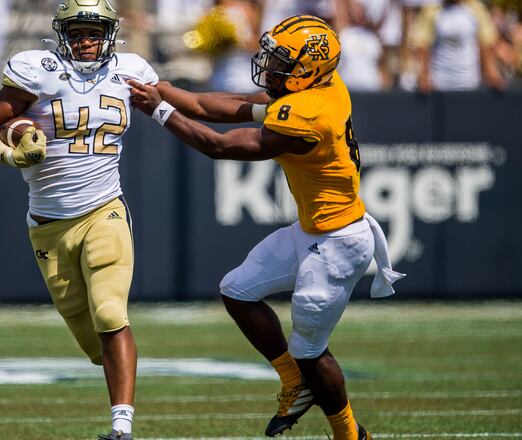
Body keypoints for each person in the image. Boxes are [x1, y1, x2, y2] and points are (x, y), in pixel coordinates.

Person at [128, 14, 404, 439]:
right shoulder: (321, 86)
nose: (270, 67)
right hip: (312, 230)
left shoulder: (311, 115)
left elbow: (219, 146)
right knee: (237, 291)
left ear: (308, 69)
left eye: (282, 61)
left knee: (311, 351)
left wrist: (161, 110)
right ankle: (293, 380)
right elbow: (231, 105)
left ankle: (350, 434)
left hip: (338, 243)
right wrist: (166, 90)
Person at [0, 1, 158, 438]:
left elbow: (174, 104)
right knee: (93, 343)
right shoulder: (40, 71)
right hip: (48, 224)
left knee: (110, 313)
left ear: (109, 33)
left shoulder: (131, 70)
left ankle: (122, 426)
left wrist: (236, 113)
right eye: (76, 31)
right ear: (61, 33)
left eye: (94, 31)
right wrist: (9, 152)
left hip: (104, 208)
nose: (85, 40)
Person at [412, 0, 505, 93]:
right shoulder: (431, 10)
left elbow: (486, 43)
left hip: (470, 82)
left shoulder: (477, 9)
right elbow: (422, 44)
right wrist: (423, 75)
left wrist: (492, 74)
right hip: (439, 83)